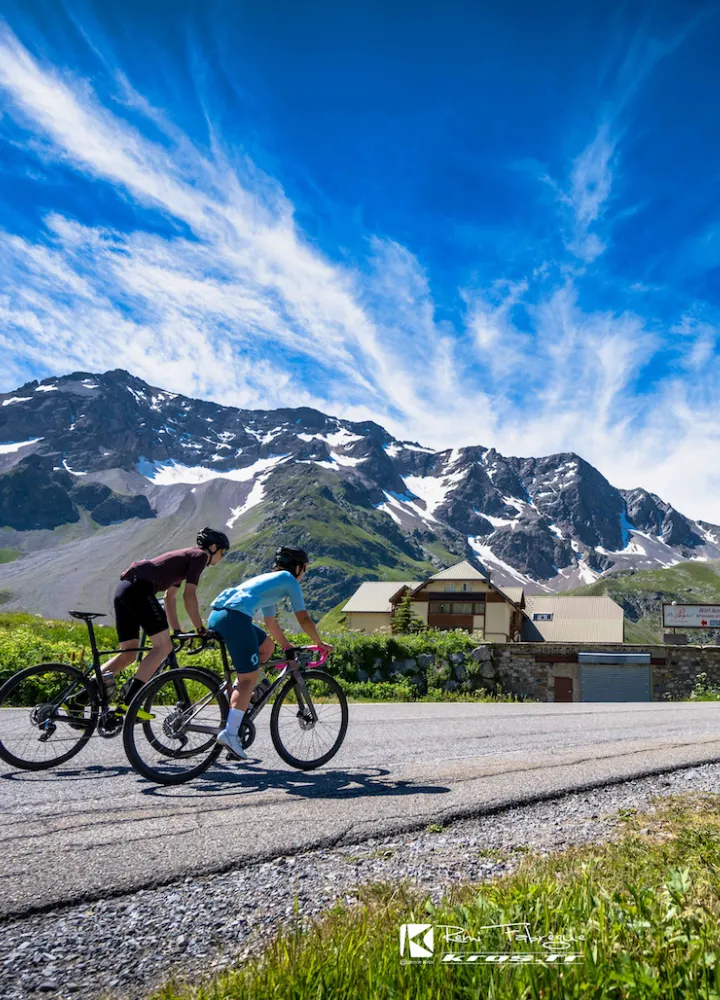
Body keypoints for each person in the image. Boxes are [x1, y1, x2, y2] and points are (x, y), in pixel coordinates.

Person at [208, 546, 333, 759]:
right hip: (236, 618)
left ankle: (238, 697)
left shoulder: (271, 582)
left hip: (219, 615)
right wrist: (319, 642)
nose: (304, 574)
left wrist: (287, 647)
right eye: (305, 570)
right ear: (299, 567)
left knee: (267, 646)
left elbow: (270, 622)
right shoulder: (289, 580)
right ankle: (230, 732)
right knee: (248, 679)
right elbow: (303, 618)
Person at [99, 527, 229, 712]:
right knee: (163, 647)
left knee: (128, 654)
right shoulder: (200, 556)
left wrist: (176, 629)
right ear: (214, 547)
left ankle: (80, 695)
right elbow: (189, 595)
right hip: (140, 590)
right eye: (223, 552)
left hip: (125, 590)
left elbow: (170, 596)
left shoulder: (185, 559)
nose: (222, 557)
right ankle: (129, 706)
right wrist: (201, 629)